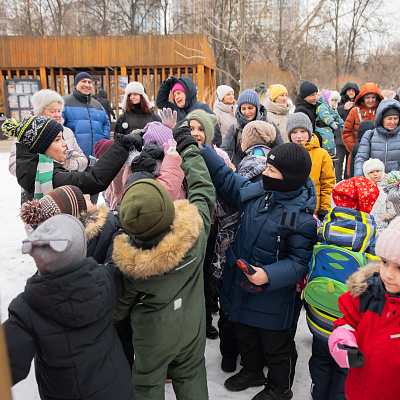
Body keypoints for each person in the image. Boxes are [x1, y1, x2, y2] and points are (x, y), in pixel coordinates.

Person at [201, 141, 317, 400]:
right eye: (268, 167)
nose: (266, 173)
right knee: (246, 334)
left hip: (273, 296)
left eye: (273, 171)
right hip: (242, 283)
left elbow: (299, 262)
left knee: (276, 346)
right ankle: (252, 370)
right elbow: (228, 180)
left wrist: (269, 275)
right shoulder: (261, 191)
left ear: (290, 178)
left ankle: (280, 388)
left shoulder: (300, 217)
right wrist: (203, 150)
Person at [112, 120, 215, 400]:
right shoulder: (195, 234)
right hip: (192, 325)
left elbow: (120, 308)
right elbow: (203, 188)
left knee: (146, 384)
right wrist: (187, 145)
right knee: (192, 373)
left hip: (153, 335)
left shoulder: (132, 266)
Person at [3, 214, 135, 400]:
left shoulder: (26, 310)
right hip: (116, 390)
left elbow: (6, 365)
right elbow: (115, 266)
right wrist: (118, 237)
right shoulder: (102, 282)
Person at [306, 176, 379, 400]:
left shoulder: (323, 227)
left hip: (318, 311)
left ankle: (318, 392)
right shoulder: (373, 236)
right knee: (344, 367)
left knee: (320, 357)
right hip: (348, 322)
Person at [328, 216, 400, 400]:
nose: (388, 275)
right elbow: (348, 323)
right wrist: (343, 343)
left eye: (399, 268)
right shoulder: (368, 294)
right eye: (384, 262)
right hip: (358, 390)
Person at [2, 115, 142, 202]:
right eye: (57, 140)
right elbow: (94, 180)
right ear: (40, 147)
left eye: (63, 137)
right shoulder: (50, 178)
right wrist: (122, 145)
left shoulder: (35, 171)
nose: (64, 143)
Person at [19, 185, 120, 264]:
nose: (88, 195)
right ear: (78, 213)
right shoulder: (103, 230)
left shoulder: (70, 251)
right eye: (82, 197)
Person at [9, 89, 87, 175]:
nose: (57, 115)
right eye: (52, 111)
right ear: (40, 112)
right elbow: (14, 166)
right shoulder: (27, 133)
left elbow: (83, 160)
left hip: (66, 183)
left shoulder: (67, 132)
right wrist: (48, 167)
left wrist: (70, 164)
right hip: (38, 186)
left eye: (59, 111)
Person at [288, 112, 335, 222]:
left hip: (313, 211)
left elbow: (328, 184)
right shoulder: (285, 153)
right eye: (294, 132)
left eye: (303, 131)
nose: (299, 136)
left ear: (309, 132)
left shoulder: (322, 154)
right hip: (290, 210)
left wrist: (325, 208)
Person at [221, 89, 284, 168]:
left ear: (257, 108)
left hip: (266, 172)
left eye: (250, 108)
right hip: (241, 173)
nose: (247, 112)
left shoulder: (270, 126)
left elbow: (281, 150)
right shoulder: (235, 128)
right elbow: (226, 151)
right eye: (243, 109)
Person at [156, 75, 222, 145]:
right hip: (182, 150)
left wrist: (214, 150)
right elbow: (161, 103)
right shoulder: (175, 109)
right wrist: (166, 85)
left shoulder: (202, 108)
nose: (176, 97)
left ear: (187, 93)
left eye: (179, 93)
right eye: (174, 95)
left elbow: (215, 132)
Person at [62, 72, 110, 158]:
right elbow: (58, 125)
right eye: (83, 81)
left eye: (89, 82)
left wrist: (104, 138)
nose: (87, 85)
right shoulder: (64, 102)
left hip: (97, 156)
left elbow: (106, 123)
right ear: (76, 84)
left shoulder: (98, 105)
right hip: (75, 156)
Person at [341, 82, 384, 167]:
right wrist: (353, 148)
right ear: (363, 98)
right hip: (358, 154)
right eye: (368, 97)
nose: (371, 100)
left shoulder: (382, 111)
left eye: (373, 97)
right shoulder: (355, 111)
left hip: (378, 154)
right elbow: (345, 131)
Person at [354, 99, 400, 176]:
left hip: (395, 184)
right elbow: (361, 159)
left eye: (396, 118)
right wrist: (360, 179)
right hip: (373, 183)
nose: (393, 122)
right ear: (381, 119)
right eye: (389, 119)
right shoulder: (370, 135)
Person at [335, 82, 360, 181]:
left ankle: (347, 179)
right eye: (349, 90)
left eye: (353, 90)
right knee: (339, 160)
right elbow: (333, 114)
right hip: (340, 136)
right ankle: (337, 180)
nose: (351, 92)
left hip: (352, 136)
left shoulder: (359, 103)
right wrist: (343, 108)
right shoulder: (339, 102)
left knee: (350, 160)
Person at [363, 158, 394, 228]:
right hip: (369, 221)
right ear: (366, 174)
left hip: (384, 221)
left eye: (377, 171)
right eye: (371, 172)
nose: (375, 174)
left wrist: (391, 216)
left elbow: (390, 203)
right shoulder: (365, 188)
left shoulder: (387, 186)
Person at [315, 91, 344, 158]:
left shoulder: (333, 109)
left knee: (331, 138)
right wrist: (331, 123)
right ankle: (327, 151)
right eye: (332, 100)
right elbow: (325, 115)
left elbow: (337, 116)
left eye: (335, 101)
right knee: (327, 137)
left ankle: (331, 151)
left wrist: (341, 123)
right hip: (322, 127)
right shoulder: (322, 107)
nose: (334, 102)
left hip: (328, 127)